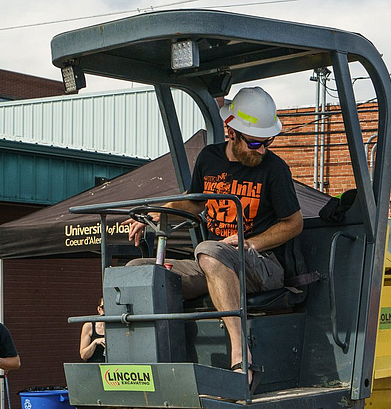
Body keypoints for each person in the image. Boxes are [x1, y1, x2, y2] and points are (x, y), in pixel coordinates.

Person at [124, 86, 302, 377]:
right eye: (255, 144)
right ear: (231, 131)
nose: (263, 150)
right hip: (215, 262)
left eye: (267, 141)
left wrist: (251, 243)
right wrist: (157, 212)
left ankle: (239, 353)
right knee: (138, 270)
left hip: (263, 265)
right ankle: (147, 363)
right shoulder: (209, 158)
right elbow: (193, 202)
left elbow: (294, 223)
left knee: (208, 250)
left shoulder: (275, 170)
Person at [77, 298, 111, 409]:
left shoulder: (116, 325)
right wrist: (95, 342)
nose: (106, 311)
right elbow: (83, 354)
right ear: (99, 309)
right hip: (93, 374)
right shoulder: (89, 325)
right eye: (104, 307)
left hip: (111, 374)